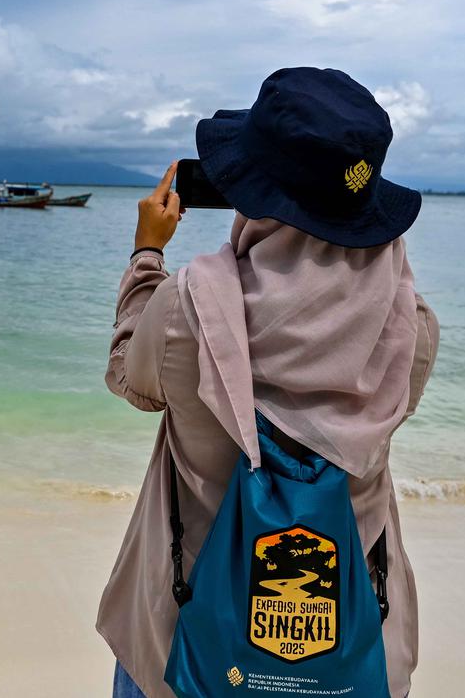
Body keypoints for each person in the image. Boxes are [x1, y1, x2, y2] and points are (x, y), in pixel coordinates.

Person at [97, 67, 439, 698]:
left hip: (187, 646)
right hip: (350, 654)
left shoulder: (188, 309)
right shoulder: (407, 323)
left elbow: (130, 377)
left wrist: (146, 258)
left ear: (249, 192)